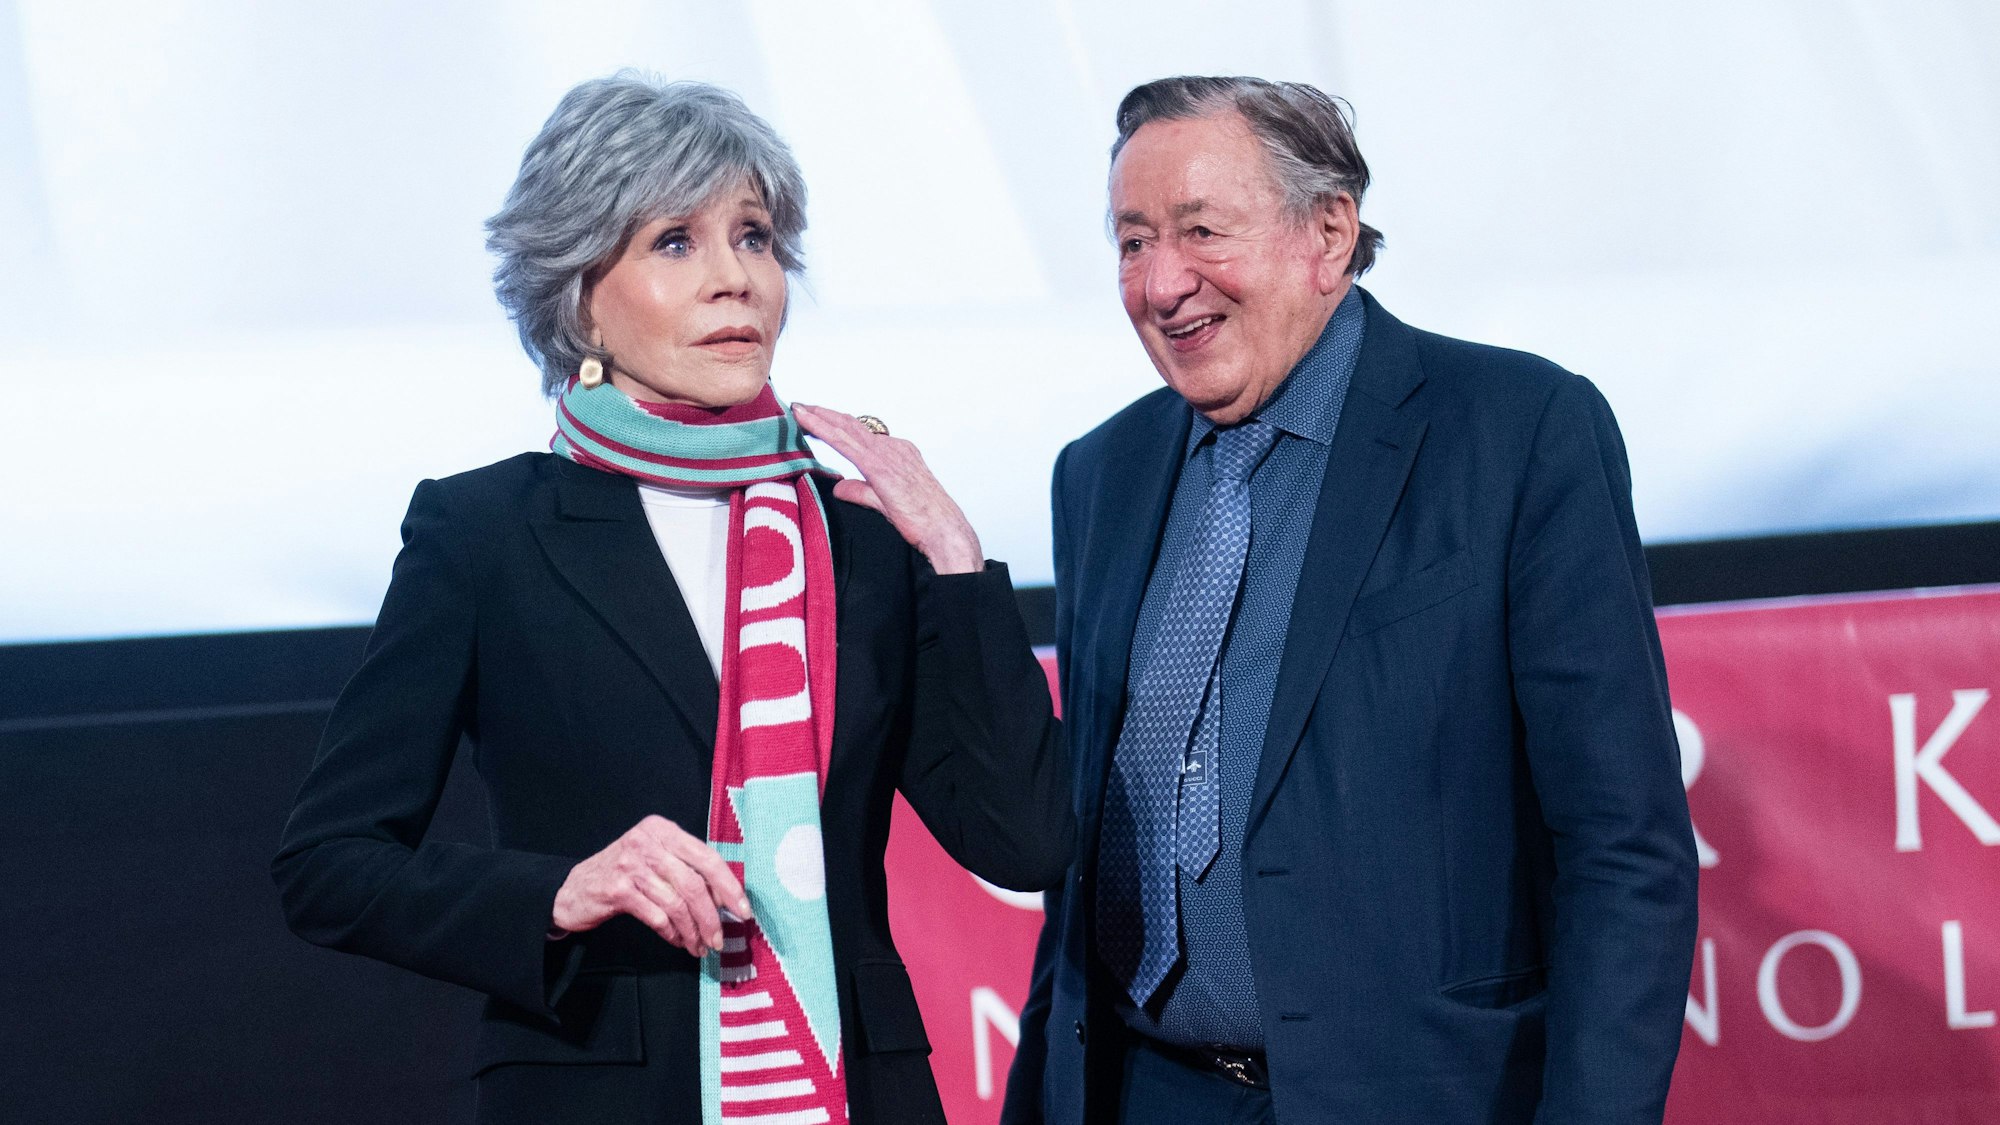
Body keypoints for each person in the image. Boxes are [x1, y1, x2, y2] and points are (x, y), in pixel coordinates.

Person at [271, 74, 1072, 1125]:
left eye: (755, 236)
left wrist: (958, 567)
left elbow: (1025, 844)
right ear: (577, 288)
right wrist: (558, 894)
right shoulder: (486, 534)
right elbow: (328, 866)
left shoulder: (859, 537)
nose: (736, 278)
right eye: (676, 242)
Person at [1003, 76, 1698, 1125]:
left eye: (1200, 231)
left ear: (1327, 233)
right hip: (1142, 1095)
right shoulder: (1099, 473)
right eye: (1132, 241)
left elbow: (1620, 847)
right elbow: (1085, 864)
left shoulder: (1515, 430)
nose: (1160, 283)